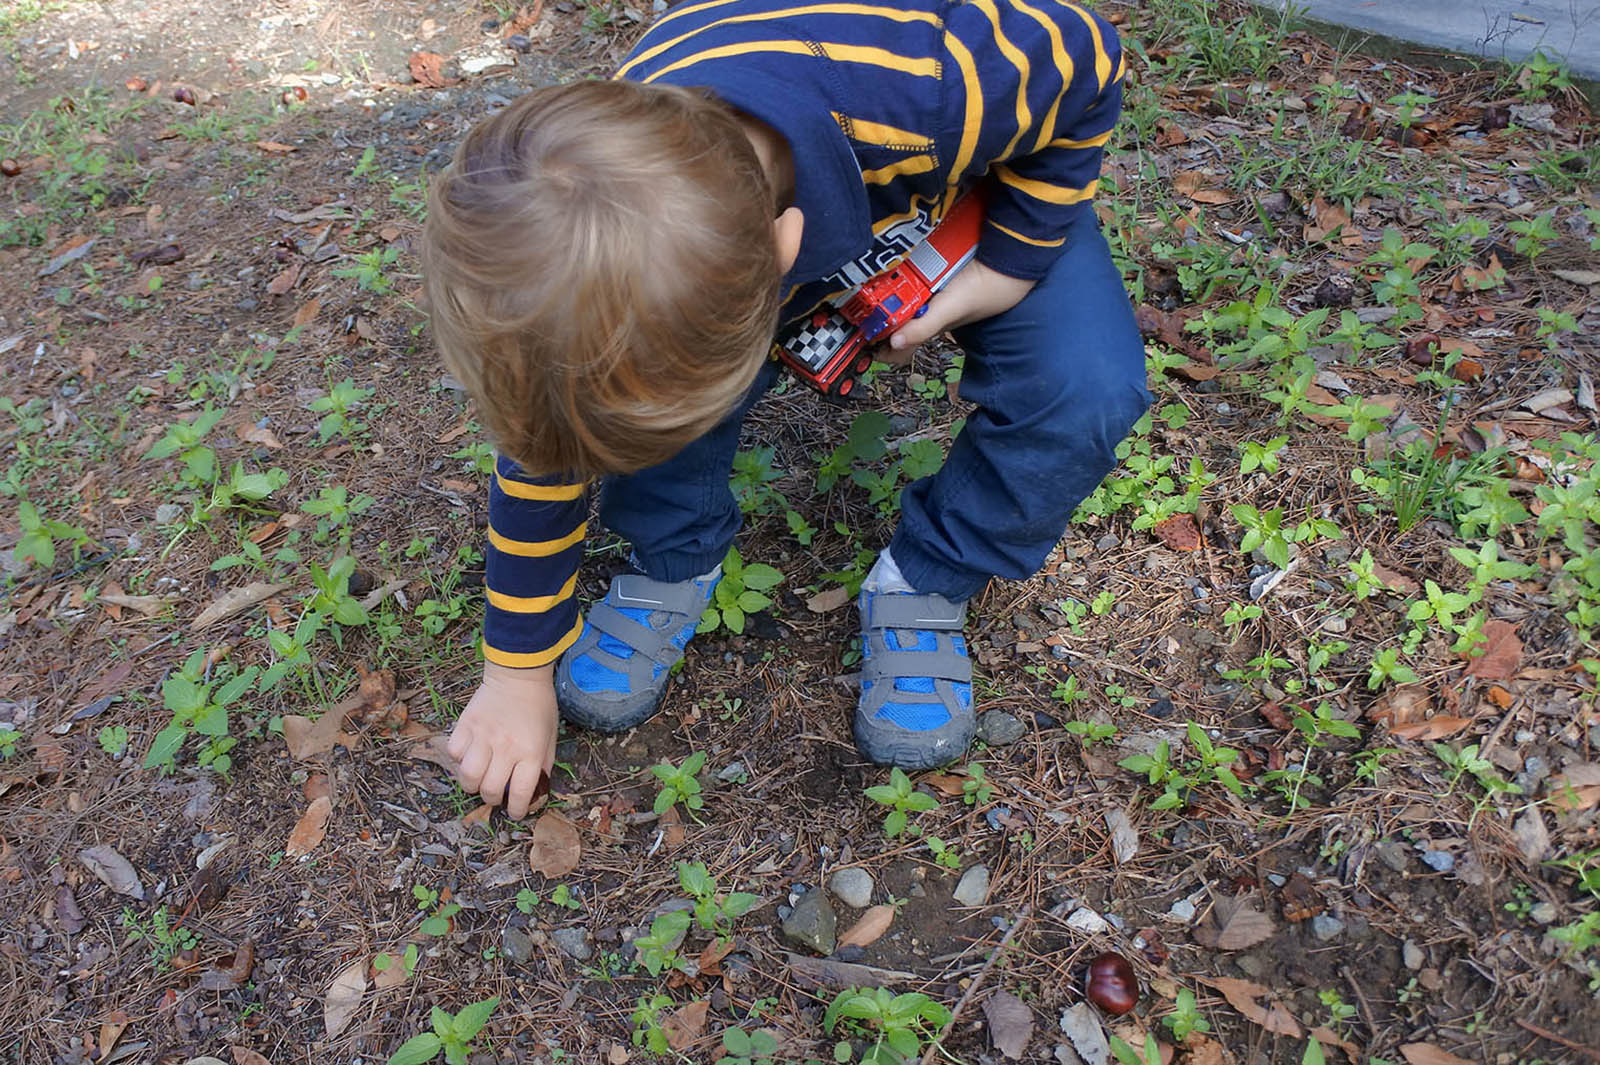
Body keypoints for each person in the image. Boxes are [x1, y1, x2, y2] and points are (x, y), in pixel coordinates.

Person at [420, 0, 1151, 819]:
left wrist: (1013, 263)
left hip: (972, 180)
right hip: (791, 202)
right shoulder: (599, 230)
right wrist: (514, 674)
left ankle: (930, 577)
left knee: (1085, 386)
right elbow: (550, 447)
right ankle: (673, 559)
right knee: (650, 391)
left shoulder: (952, 79)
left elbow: (1089, 55)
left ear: (784, 261)